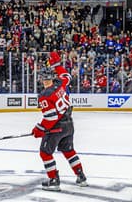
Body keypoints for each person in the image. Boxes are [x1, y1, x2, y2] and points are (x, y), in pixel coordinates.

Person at [32, 51, 87, 191]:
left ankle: (54, 180)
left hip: (56, 128)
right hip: (69, 124)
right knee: (68, 151)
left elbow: (51, 118)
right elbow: (66, 75)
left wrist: (39, 129)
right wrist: (57, 64)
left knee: (45, 152)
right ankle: (81, 177)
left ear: (42, 79)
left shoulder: (45, 95)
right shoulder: (61, 83)